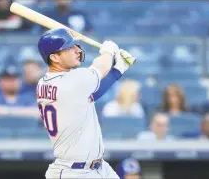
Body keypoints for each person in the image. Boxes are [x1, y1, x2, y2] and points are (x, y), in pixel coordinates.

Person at [36, 28, 135, 178]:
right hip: (74, 172)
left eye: (75, 45)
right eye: (69, 48)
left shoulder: (45, 82)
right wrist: (109, 51)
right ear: (55, 58)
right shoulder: (71, 81)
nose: (77, 50)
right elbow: (101, 66)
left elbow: (91, 95)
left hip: (98, 168)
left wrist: (118, 69)